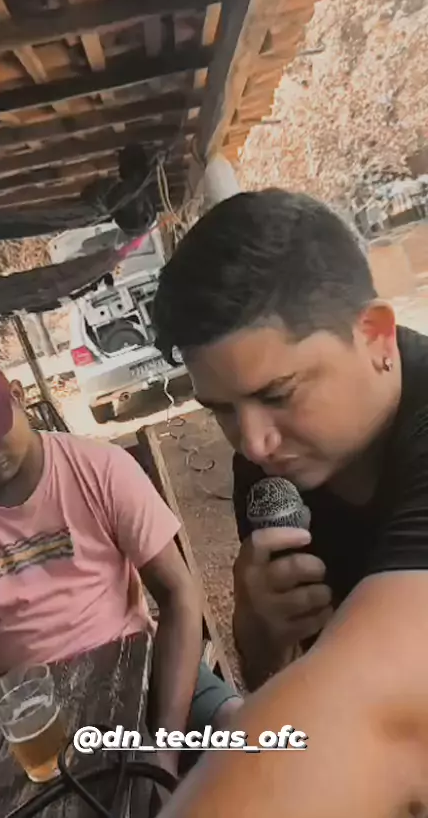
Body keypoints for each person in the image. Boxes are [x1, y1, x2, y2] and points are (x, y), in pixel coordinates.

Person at [151, 188, 428, 816]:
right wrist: (262, 633)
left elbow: (383, 720)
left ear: (375, 336)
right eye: (222, 410)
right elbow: (279, 688)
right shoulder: (266, 471)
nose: (253, 442)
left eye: (277, 395)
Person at [0, 347, 241, 777]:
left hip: (142, 672)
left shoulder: (100, 468)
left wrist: (164, 747)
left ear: (17, 396)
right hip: (36, 711)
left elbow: (178, 595)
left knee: (246, 730)